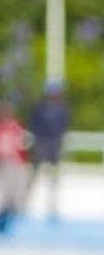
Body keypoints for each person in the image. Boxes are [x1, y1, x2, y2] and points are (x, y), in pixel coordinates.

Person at [27, 81, 70, 219]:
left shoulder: (62, 109)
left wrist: (59, 143)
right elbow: (34, 126)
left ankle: (52, 207)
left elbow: (64, 128)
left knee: (53, 180)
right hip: (41, 146)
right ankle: (24, 205)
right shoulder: (40, 108)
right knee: (33, 177)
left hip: (54, 148)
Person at [0, 100, 29, 234]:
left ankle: (7, 221)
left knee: (14, 196)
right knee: (4, 194)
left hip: (14, 164)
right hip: (4, 164)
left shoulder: (17, 128)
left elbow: (21, 147)